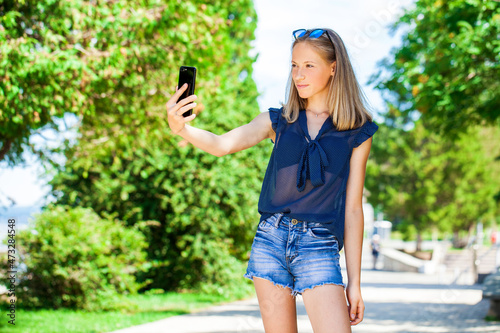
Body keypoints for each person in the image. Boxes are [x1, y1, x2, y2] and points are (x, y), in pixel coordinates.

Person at [167, 28, 378, 333]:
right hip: (271, 240)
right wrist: (181, 129)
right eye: (294, 65)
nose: (298, 75)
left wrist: (355, 284)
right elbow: (222, 145)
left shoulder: (357, 131)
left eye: (309, 65)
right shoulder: (278, 120)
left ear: (333, 68)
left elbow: (354, 211)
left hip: (318, 245)